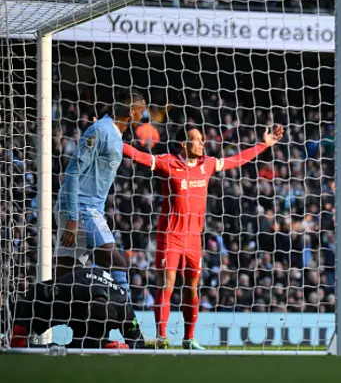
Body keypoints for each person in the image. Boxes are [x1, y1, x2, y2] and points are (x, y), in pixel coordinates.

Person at [122, 123, 284, 350]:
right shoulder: (168, 162)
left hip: (194, 240)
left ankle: (189, 338)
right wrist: (113, 140)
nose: (201, 143)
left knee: (192, 288)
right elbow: (139, 155)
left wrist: (263, 145)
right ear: (183, 143)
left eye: (201, 139)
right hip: (170, 236)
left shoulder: (206, 165)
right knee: (166, 284)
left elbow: (235, 160)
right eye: (196, 139)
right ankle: (161, 337)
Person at [55, 90, 146, 297]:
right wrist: (72, 217)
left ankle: (25, 322)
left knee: (65, 279)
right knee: (118, 265)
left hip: (81, 209)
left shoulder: (109, 131)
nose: (142, 118)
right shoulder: (102, 130)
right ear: (131, 112)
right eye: (141, 112)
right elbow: (72, 171)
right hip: (82, 209)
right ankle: (131, 326)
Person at [8, 268, 146, 350]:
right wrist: (20, 330)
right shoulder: (68, 289)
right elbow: (36, 291)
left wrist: (127, 348)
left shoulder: (123, 306)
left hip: (88, 299)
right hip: (69, 303)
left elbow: (137, 339)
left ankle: (96, 343)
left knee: (88, 348)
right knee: (11, 319)